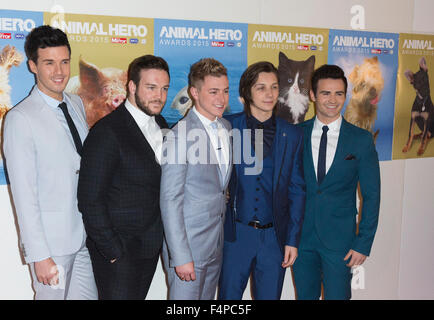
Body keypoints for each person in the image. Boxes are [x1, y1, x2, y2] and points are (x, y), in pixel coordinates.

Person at [3, 25, 97, 300]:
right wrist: (39, 255)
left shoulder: (76, 103)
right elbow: (24, 194)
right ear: (33, 65)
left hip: (83, 237)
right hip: (51, 245)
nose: (59, 71)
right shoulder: (20, 118)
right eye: (49, 63)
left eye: (64, 62)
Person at [77, 55, 170, 299]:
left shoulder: (161, 123)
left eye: (164, 88)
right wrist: (113, 250)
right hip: (117, 253)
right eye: (151, 87)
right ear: (132, 86)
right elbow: (89, 199)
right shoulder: (107, 132)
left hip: (149, 247)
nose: (159, 95)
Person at [217, 61, 306, 300]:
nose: (269, 94)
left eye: (274, 87)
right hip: (235, 236)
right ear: (246, 92)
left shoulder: (293, 134)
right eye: (261, 87)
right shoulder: (226, 127)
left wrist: (292, 240)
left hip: (274, 239)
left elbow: (297, 190)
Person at [293, 64, 380, 300]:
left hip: (340, 241)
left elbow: (372, 196)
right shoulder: (295, 135)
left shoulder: (361, 140)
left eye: (339, 93)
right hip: (301, 240)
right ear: (312, 95)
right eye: (325, 93)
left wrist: (363, 242)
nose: (333, 100)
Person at [160, 58, 232, 300]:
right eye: (213, 92)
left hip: (215, 246)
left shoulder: (226, 127)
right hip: (188, 250)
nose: (221, 99)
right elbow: (170, 199)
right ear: (194, 92)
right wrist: (180, 256)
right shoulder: (179, 135)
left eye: (225, 91)